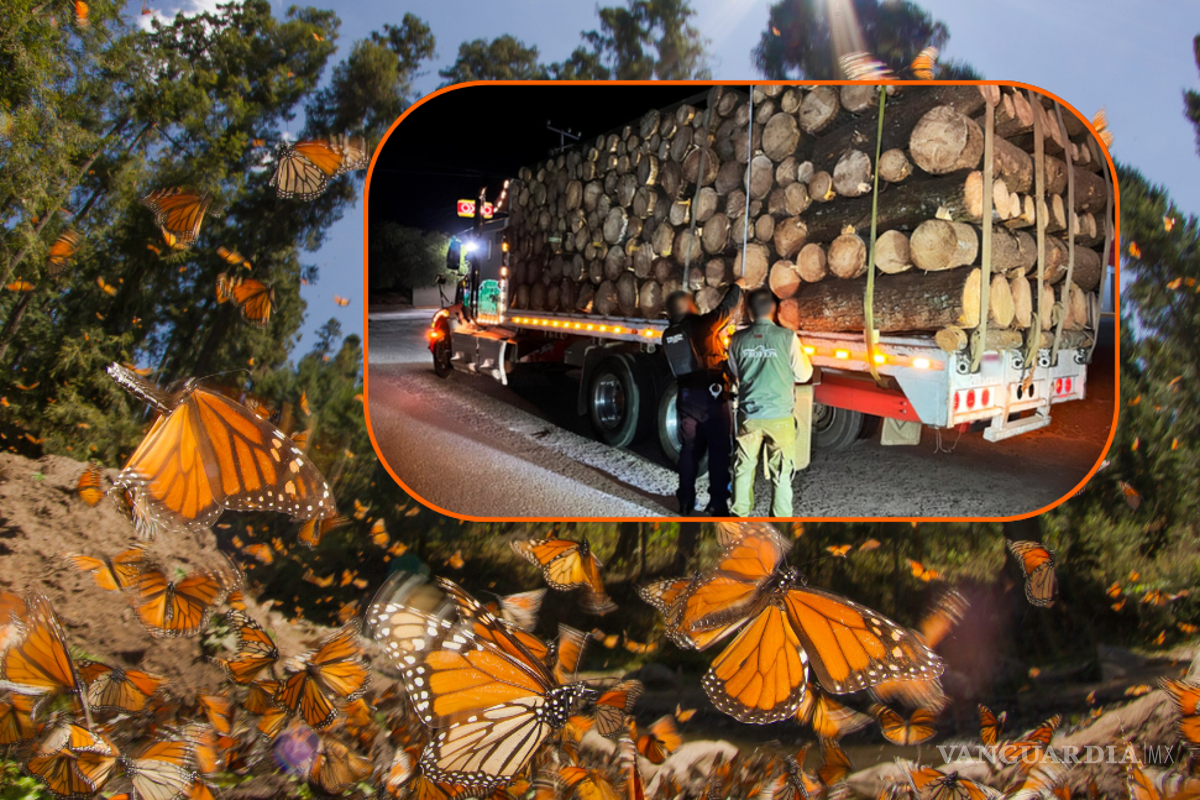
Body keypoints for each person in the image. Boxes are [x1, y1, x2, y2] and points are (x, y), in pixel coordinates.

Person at [727, 288, 813, 518]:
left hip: (749, 416)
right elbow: (804, 374)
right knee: (782, 473)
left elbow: (735, 371)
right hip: (780, 418)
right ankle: (780, 519)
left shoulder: (737, 340)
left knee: (743, 468)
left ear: (750, 312)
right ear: (774, 311)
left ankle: (739, 515)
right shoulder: (788, 338)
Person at [661, 281, 744, 516]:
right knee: (718, 449)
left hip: (686, 397)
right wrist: (737, 287)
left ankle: (685, 501)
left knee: (690, 449)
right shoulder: (700, 325)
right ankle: (717, 503)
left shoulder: (670, 334)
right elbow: (724, 311)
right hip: (711, 397)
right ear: (687, 307)